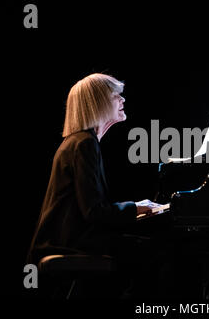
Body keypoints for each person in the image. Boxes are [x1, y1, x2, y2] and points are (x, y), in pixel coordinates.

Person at [27, 73, 169, 297]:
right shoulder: (84, 144)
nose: (123, 100)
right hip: (68, 242)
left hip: (62, 239)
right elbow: (94, 212)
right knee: (155, 252)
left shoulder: (78, 142)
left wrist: (135, 207)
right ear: (98, 102)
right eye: (116, 96)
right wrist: (135, 208)